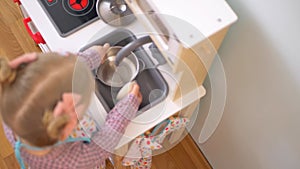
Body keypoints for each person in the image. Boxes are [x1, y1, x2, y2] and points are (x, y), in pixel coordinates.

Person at [0, 45, 142, 169]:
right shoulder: (74, 162)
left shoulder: (12, 108)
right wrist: (125, 109)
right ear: (69, 120)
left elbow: (59, 72)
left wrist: (94, 56)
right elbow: (104, 143)